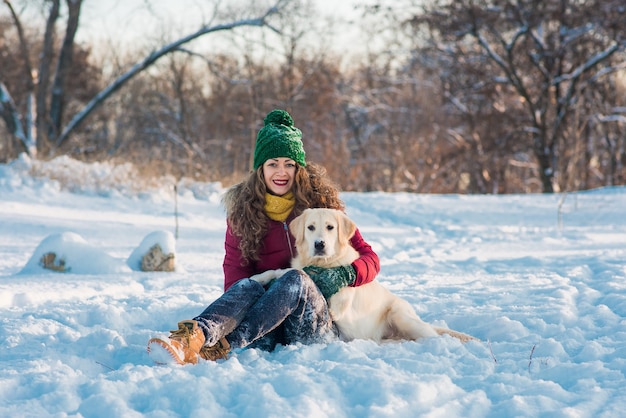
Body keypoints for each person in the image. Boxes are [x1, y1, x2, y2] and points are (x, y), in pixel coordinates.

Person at [147, 109, 380, 365]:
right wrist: (269, 297)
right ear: (261, 169)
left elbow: (370, 258)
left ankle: (225, 345)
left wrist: (347, 273)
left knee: (295, 279)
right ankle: (191, 338)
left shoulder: (322, 207)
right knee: (247, 285)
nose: (281, 172)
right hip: (264, 327)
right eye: (273, 164)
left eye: (289, 164)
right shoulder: (243, 214)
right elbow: (234, 281)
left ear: (299, 168)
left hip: (316, 325)